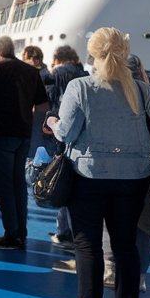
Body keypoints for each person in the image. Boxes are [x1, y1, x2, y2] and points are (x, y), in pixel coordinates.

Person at [48, 28, 150, 298]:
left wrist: (51, 123)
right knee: (126, 245)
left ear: (92, 54)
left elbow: (66, 134)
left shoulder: (81, 87)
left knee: (87, 245)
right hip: (134, 178)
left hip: (88, 176)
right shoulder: (144, 91)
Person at [0, 36, 48, 249]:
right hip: (23, 134)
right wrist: (29, 121)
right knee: (19, 185)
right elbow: (43, 105)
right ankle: (21, 232)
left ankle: (11, 233)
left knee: (4, 185)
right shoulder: (31, 72)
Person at [45, 45, 88, 255]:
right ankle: (75, 231)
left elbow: (51, 100)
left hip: (61, 130)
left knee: (61, 180)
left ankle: (63, 231)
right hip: (83, 136)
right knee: (79, 186)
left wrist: (51, 122)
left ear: (56, 57)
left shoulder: (56, 75)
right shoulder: (85, 74)